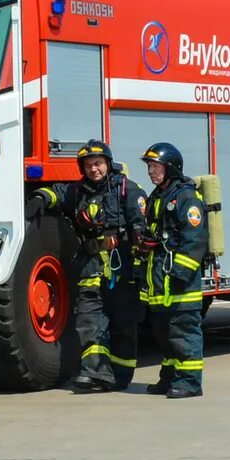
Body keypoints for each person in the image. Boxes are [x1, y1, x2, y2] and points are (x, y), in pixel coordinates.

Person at [33, 140, 146, 392]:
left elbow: (141, 229)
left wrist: (139, 267)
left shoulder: (128, 190)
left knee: (122, 323)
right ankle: (95, 372)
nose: (93, 169)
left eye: (98, 164)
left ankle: (120, 374)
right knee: (88, 320)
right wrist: (42, 197)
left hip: (121, 268)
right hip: (91, 267)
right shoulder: (78, 192)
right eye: (88, 165)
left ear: (108, 163)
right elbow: (59, 193)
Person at [140, 142, 209, 398]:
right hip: (161, 282)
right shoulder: (157, 196)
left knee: (183, 333)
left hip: (180, 283)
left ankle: (190, 382)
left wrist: (180, 274)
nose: (150, 171)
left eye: (155, 166)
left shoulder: (186, 197)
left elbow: (196, 240)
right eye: (149, 167)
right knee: (165, 334)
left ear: (170, 168)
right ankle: (169, 379)